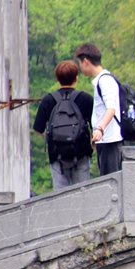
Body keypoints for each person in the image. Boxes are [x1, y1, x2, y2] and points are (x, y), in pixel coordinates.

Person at [32, 60, 94, 190]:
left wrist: (54, 135)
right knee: (83, 194)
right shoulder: (86, 99)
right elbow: (95, 125)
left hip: (57, 155)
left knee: (60, 196)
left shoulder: (48, 99)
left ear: (57, 79)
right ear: (76, 78)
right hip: (81, 153)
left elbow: (38, 128)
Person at [74, 43, 123, 176]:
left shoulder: (105, 81)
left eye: (80, 63)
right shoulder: (101, 80)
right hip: (105, 140)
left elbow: (111, 109)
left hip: (110, 141)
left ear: (86, 61)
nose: (80, 67)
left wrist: (100, 129)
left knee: (111, 182)